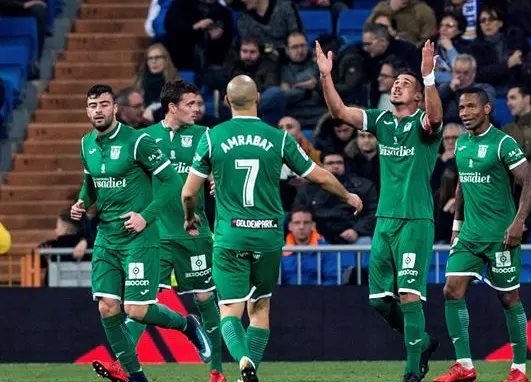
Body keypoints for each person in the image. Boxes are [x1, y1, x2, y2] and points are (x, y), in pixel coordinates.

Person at [181, 75, 362, 382]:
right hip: (268, 235)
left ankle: (242, 361)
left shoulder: (212, 137)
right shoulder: (279, 138)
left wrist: (189, 217)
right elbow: (316, 175)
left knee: (229, 311)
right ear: (259, 99)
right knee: (261, 308)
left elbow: (188, 193)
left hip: (231, 235)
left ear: (226, 101)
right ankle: (249, 372)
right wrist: (347, 195)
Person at [316, 40, 443, 382]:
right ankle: (423, 341)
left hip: (415, 220)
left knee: (408, 294)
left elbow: (435, 116)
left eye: (407, 84)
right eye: (396, 82)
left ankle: (412, 370)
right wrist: (326, 77)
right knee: (378, 301)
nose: (398, 85)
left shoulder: (424, 125)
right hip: (384, 221)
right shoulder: (382, 120)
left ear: (417, 96)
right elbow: (340, 112)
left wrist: (428, 77)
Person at [70, 85, 212, 382]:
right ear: (87, 110)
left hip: (140, 238)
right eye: (93, 104)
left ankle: (186, 325)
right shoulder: (86, 145)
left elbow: (172, 182)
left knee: (136, 310)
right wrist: (83, 201)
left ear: (115, 109)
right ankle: (135, 376)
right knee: (107, 307)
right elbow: (90, 183)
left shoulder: (138, 141)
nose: (98, 110)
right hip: (106, 238)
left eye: (104, 104)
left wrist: (144, 217)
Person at [433, 87, 531, 382]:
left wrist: (517, 224)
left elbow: (529, 182)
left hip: (501, 237)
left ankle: (519, 369)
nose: (464, 113)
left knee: (508, 298)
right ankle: (464, 365)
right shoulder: (462, 144)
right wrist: (456, 227)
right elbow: (462, 185)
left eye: (470, 107)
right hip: (469, 236)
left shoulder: (503, 143)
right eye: (461, 108)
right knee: (451, 290)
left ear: (487, 109)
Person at [133, 81, 224, 382]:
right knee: (141, 302)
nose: (198, 109)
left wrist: (214, 179)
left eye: (199, 104)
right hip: (154, 234)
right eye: (191, 104)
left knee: (204, 298)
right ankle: (127, 366)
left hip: (193, 232)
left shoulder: (205, 136)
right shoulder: (144, 138)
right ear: (172, 107)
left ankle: (217, 372)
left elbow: (217, 171)